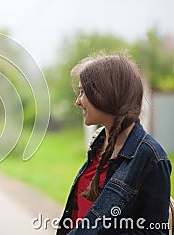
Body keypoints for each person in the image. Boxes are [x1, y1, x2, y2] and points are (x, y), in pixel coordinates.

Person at [57, 52, 172, 234]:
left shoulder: (152, 158)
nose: (77, 102)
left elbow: (155, 232)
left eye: (82, 92)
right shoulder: (98, 143)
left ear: (104, 94)